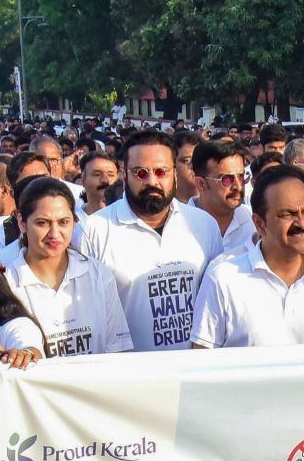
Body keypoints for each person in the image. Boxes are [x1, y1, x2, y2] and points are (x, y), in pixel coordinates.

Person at [80, 129, 223, 351]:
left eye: (161, 172)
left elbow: (215, 305)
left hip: (194, 366)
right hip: (129, 368)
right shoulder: (94, 230)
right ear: (124, 174)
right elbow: (87, 312)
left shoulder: (204, 225)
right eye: (141, 173)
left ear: (174, 173)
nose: (152, 181)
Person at [191, 165, 304, 348]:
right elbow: (202, 357)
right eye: (287, 214)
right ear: (259, 224)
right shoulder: (223, 279)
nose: (302, 223)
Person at [4, 177, 132, 357]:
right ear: (22, 222)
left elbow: (117, 348)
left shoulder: (98, 274)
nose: (54, 234)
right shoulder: (7, 284)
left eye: (63, 222)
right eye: (42, 223)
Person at [190, 140, 255, 255]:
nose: (238, 186)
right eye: (227, 179)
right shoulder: (180, 226)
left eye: (241, 176)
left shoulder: (254, 221)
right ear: (201, 184)